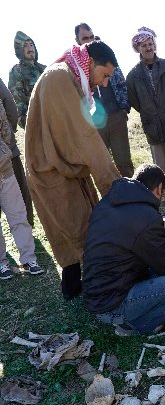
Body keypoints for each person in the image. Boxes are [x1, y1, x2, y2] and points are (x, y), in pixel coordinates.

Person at [25, 40, 121, 300]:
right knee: (79, 230)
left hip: (61, 168)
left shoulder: (68, 75)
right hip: (53, 171)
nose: (104, 83)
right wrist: (118, 189)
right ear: (90, 63)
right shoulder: (59, 77)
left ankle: (78, 288)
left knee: (76, 228)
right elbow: (83, 137)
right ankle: (96, 292)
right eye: (105, 75)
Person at [82, 164, 165, 335]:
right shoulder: (146, 218)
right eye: (163, 194)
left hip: (95, 295)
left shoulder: (106, 203)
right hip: (112, 305)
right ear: (159, 189)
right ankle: (138, 326)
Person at [127, 27, 165, 194]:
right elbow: (135, 101)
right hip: (153, 126)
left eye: (150, 44)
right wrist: (150, 111)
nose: (148, 48)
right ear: (138, 49)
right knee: (162, 167)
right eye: (144, 45)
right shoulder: (133, 75)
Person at [75, 23, 134, 177]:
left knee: (124, 162)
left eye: (91, 37)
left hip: (116, 117)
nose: (88, 41)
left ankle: (132, 196)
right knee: (102, 165)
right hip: (94, 123)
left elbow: (120, 82)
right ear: (77, 41)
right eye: (84, 38)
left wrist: (123, 108)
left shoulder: (106, 55)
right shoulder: (76, 68)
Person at [0, 99, 43, 280]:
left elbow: (5, 122)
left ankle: (29, 260)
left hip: (5, 169)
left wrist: (3, 149)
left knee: (18, 214)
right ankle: (2, 264)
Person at [0, 78, 34, 226]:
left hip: (6, 147)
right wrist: (8, 136)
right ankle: (27, 230)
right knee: (19, 193)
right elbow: (10, 105)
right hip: (6, 148)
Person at [8, 31, 46, 129]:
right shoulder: (17, 71)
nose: (30, 49)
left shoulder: (45, 69)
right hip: (38, 126)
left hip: (56, 121)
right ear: (20, 50)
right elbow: (19, 108)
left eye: (31, 45)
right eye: (25, 46)